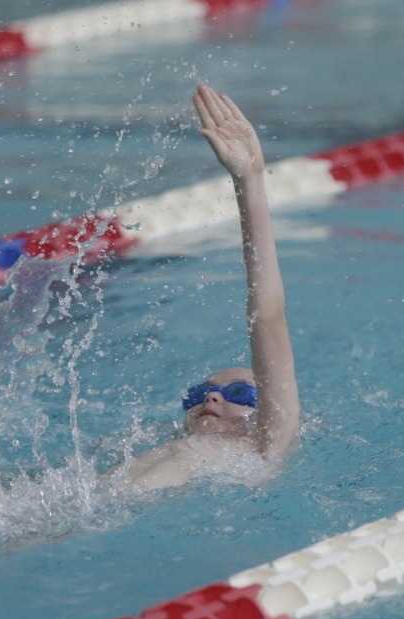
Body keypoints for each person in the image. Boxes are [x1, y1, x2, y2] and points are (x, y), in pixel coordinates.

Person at [124, 84, 300, 490]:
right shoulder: (156, 449)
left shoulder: (264, 447)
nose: (212, 399)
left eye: (240, 393)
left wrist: (249, 181)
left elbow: (267, 316)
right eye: (200, 393)